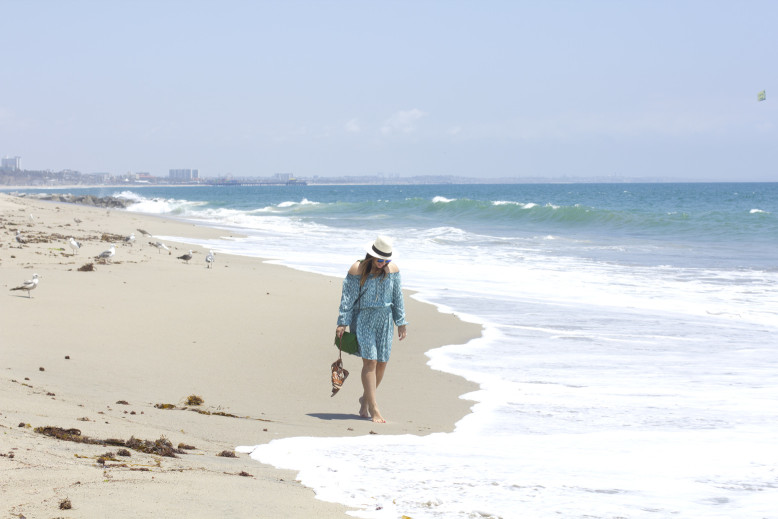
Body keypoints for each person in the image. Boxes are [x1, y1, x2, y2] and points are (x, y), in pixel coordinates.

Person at [336, 236, 408, 423]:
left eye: (387, 260)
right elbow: (348, 297)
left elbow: (397, 296)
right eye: (380, 260)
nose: (383, 263)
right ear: (371, 256)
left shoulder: (392, 270)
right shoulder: (357, 269)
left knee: (382, 362)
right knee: (371, 362)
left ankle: (366, 399)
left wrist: (401, 322)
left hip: (385, 320)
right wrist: (342, 322)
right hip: (363, 319)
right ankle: (375, 408)